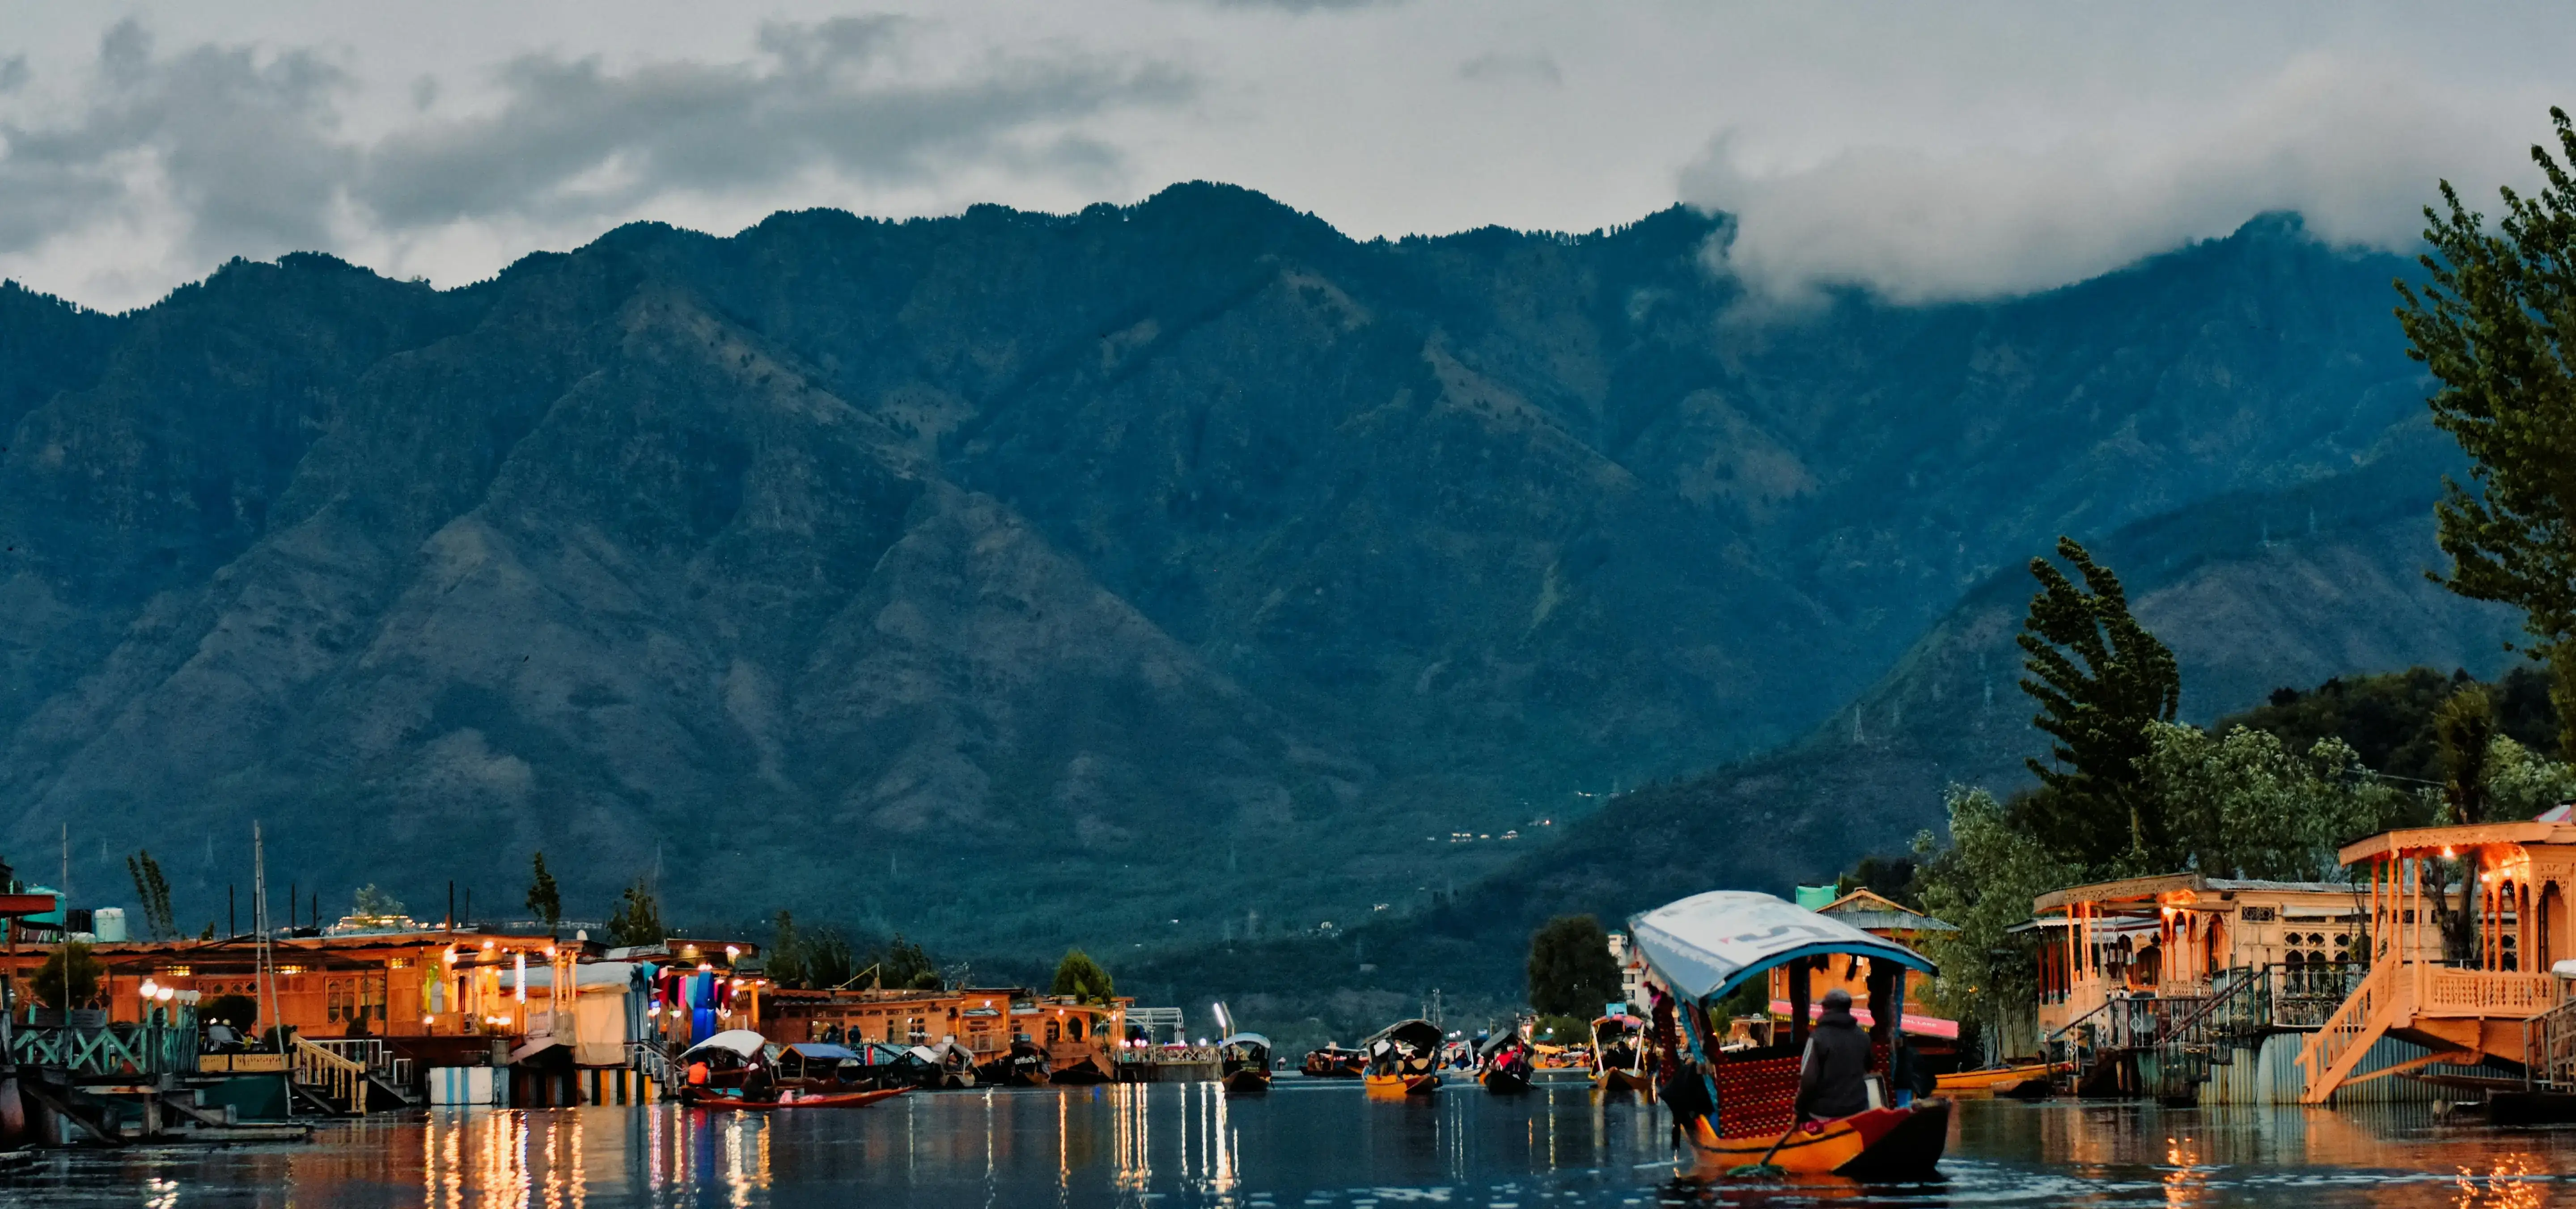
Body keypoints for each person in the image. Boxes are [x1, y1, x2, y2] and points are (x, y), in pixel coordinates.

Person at [1794, 989, 1872, 1122]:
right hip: (1859, 1108)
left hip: (1825, 1112)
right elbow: (1869, 1066)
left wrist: (1798, 1110)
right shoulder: (1863, 1037)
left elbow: (1808, 1082)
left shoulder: (1818, 1038)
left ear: (1826, 1009)